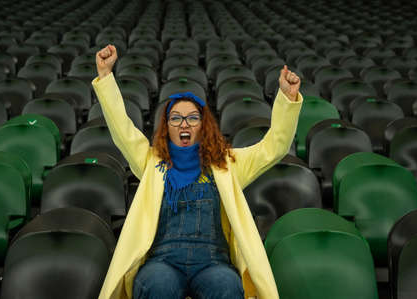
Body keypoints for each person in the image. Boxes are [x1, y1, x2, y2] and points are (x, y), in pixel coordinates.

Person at [92, 44, 302, 299]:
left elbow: (274, 147)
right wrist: (105, 77)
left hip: (213, 262)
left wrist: (287, 99)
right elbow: (122, 130)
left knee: (227, 287)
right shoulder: (151, 162)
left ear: (204, 126)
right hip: (163, 261)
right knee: (156, 285)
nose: (184, 123)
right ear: (166, 126)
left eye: (193, 117)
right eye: (176, 118)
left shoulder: (227, 163)